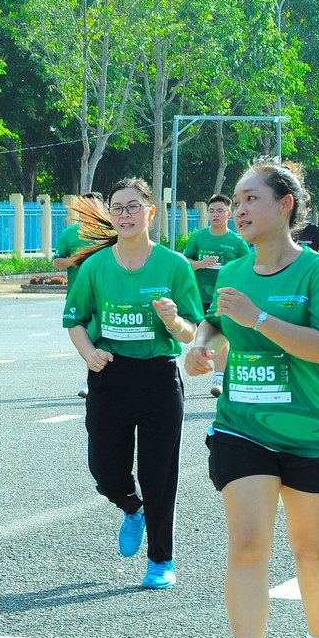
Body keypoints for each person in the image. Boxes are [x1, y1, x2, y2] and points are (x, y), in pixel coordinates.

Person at [183, 158, 319, 638]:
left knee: (311, 548)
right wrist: (200, 343)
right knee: (247, 542)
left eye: (250, 199)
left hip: (310, 430)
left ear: (285, 205)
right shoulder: (233, 271)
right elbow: (217, 317)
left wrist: (260, 319)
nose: (238, 210)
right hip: (243, 426)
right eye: (235, 201)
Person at [63, 179, 202, 591]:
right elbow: (75, 321)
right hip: (109, 375)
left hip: (158, 377)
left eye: (133, 207)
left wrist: (174, 321)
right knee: (104, 469)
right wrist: (89, 353)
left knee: (159, 474)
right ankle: (131, 508)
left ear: (150, 212)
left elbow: (192, 331)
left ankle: (161, 559)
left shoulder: (174, 266)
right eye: (118, 207)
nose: (125, 214)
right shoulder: (95, 266)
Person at [183, 194, 253, 397]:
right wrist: (200, 264)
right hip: (198, 296)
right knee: (199, 338)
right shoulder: (198, 237)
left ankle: (219, 379)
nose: (215, 214)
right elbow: (185, 262)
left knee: (221, 336)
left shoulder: (237, 242)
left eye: (220, 211)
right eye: (212, 211)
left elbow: (247, 269)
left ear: (229, 214)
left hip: (223, 297)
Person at [53, 193, 100, 399]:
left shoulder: (110, 233)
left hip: (103, 295)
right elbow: (57, 261)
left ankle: (92, 379)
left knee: (100, 336)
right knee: (84, 337)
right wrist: (76, 260)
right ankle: (94, 373)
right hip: (77, 295)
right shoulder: (69, 234)